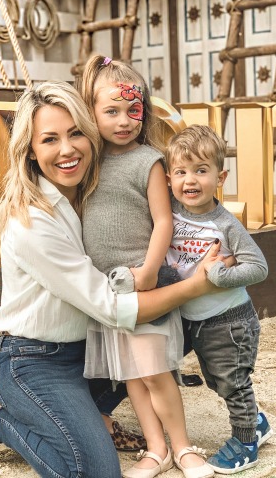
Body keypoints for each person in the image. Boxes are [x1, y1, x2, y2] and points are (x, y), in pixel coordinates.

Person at [0, 81, 231, 477]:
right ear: (30, 152)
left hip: (90, 350)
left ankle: (91, 415)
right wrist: (197, 284)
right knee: (96, 472)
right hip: (34, 360)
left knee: (176, 323)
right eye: (50, 139)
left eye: (75, 134)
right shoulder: (32, 221)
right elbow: (114, 307)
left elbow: (174, 213)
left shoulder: (92, 190)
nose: (67, 149)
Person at [78, 54, 214, 478]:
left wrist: (152, 270)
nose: (124, 120)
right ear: (92, 112)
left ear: (144, 110)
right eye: (112, 111)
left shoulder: (148, 160)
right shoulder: (89, 162)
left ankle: (184, 447)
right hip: (109, 291)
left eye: (132, 110)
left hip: (144, 283)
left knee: (155, 371)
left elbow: (163, 221)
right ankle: (156, 450)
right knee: (132, 376)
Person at [165, 124, 272, 474]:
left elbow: (258, 267)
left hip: (229, 321)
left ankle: (246, 442)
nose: (190, 181)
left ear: (221, 176)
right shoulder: (170, 213)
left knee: (233, 382)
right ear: (168, 178)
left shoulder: (226, 224)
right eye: (181, 171)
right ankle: (257, 421)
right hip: (190, 316)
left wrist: (220, 275)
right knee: (215, 380)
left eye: (201, 170)